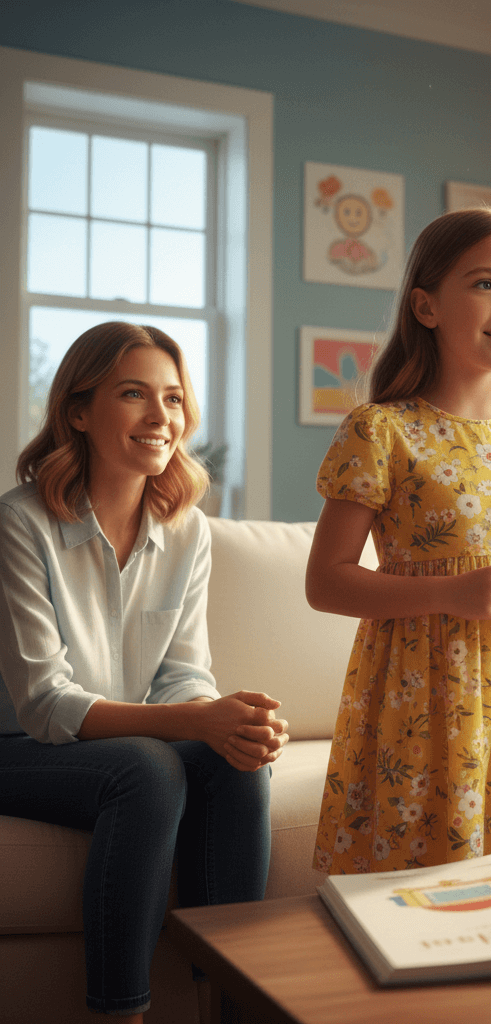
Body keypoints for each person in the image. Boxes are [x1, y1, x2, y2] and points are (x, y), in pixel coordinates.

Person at [0, 322, 289, 1021]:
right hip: (21, 749)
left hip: (127, 743)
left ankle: (231, 1002)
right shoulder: (20, 524)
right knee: (149, 770)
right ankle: (119, 1013)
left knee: (238, 761)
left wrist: (229, 719)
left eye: (172, 397)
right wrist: (194, 719)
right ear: (78, 410)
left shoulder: (186, 529)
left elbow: (183, 672)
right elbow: (44, 704)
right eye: (134, 394)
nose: (162, 417)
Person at [306, 208, 491, 874]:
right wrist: (449, 592)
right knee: (417, 879)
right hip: (418, 695)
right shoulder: (380, 431)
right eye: (486, 284)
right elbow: (325, 581)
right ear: (427, 306)